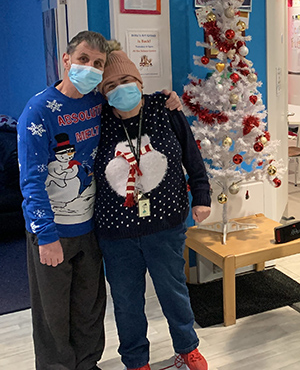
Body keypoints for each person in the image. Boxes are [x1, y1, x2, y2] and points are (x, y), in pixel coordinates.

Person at [17, 30, 181, 370]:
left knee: (89, 307)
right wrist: (45, 236)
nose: (89, 68)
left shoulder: (98, 103)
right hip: (52, 231)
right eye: (83, 60)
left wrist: (168, 99)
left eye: (97, 63)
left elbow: (133, 103)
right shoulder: (38, 112)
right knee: (53, 314)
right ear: (67, 60)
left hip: (92, 228)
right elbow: (31, 181)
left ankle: (88, 364)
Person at [94, 43, 212, 370]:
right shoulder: (97, 121)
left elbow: (192, 156)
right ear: (103, 93)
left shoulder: (165, 108)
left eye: (127, 81)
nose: (121, 90)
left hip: (165, 226)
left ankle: (187, 348)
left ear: (140, 82)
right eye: (112, 86)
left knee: (174, 293)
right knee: (127, 304)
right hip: (116, 234)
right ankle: (135, 362)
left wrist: (201, 195)